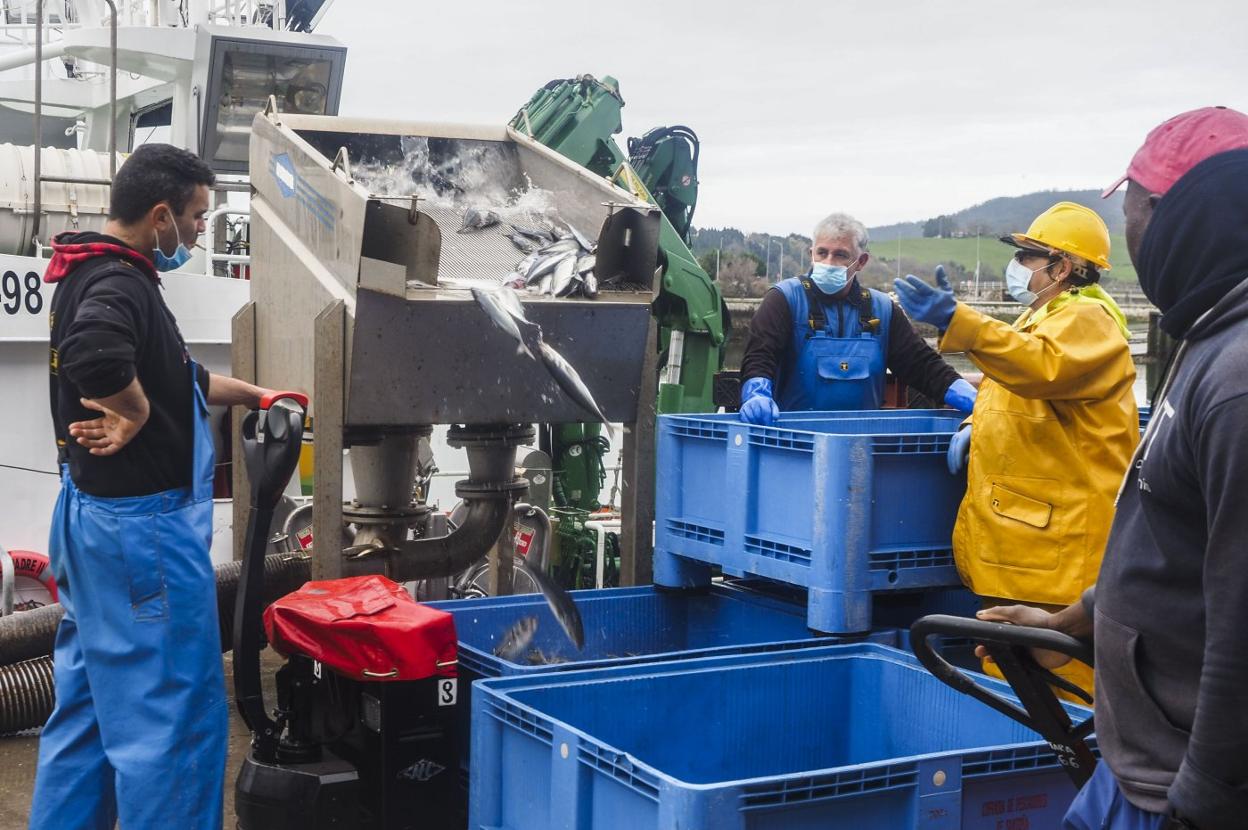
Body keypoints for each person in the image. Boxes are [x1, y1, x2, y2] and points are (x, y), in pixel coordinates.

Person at [975, 106, 1248, 830]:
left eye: (1133, 209)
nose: (1130, 235)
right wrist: (1073, 618)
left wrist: (1204, 804)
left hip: (1175, 790)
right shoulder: (1208, 339)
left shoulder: (1238, 380)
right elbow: (1172, 548)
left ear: (1173, 214)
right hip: (1134, 764)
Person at [30, 143, 277, 829]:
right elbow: (95, 354)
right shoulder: (120, 286)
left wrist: (254, 394)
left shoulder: (88, 268)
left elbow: (174, 374)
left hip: (88, 528)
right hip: (142, 541)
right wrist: (133, 411)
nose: (201, 231)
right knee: (172, 725)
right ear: (161, 215)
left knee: (85, 713)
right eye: (197, 218)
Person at [893, 202, 1137, 700]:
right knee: (1018, 689)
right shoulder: (1044, 317)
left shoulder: (1088, 320)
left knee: (1063, 699)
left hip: (1060, 559)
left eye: (1027, 256)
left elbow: (1037, 367)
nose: (1018, 266)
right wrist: (970, 422)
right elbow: (1012, 391)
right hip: (1031, 549)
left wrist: (956, 319)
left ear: (1062, 267)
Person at [738, 212, 976, 424]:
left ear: (861, 261)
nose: (829, 262)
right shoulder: (783, 299)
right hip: (793, 441)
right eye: (822, 253)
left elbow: (922, 366)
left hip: (859, 444)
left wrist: (973, 399)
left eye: (841, 255)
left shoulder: (883, 310)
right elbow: (760, 356)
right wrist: (756, 394)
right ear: (811, 253)